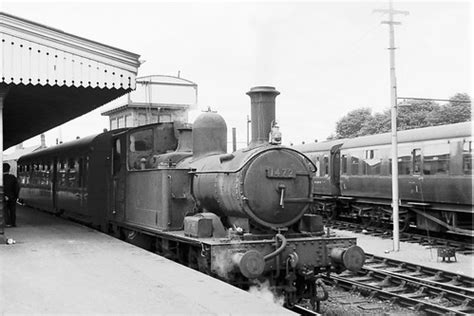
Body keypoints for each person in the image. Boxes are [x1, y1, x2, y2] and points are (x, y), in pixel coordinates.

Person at [3, 163, 19, 227]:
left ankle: (8, 223)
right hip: (12, 197)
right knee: (12, 210)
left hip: (3, 196)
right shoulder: (13, 178)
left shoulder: (1, 178)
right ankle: (13, 223)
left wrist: (4, 195)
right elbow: (17, 187)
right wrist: (15, 196)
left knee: (5, 210)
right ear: (9, 169)